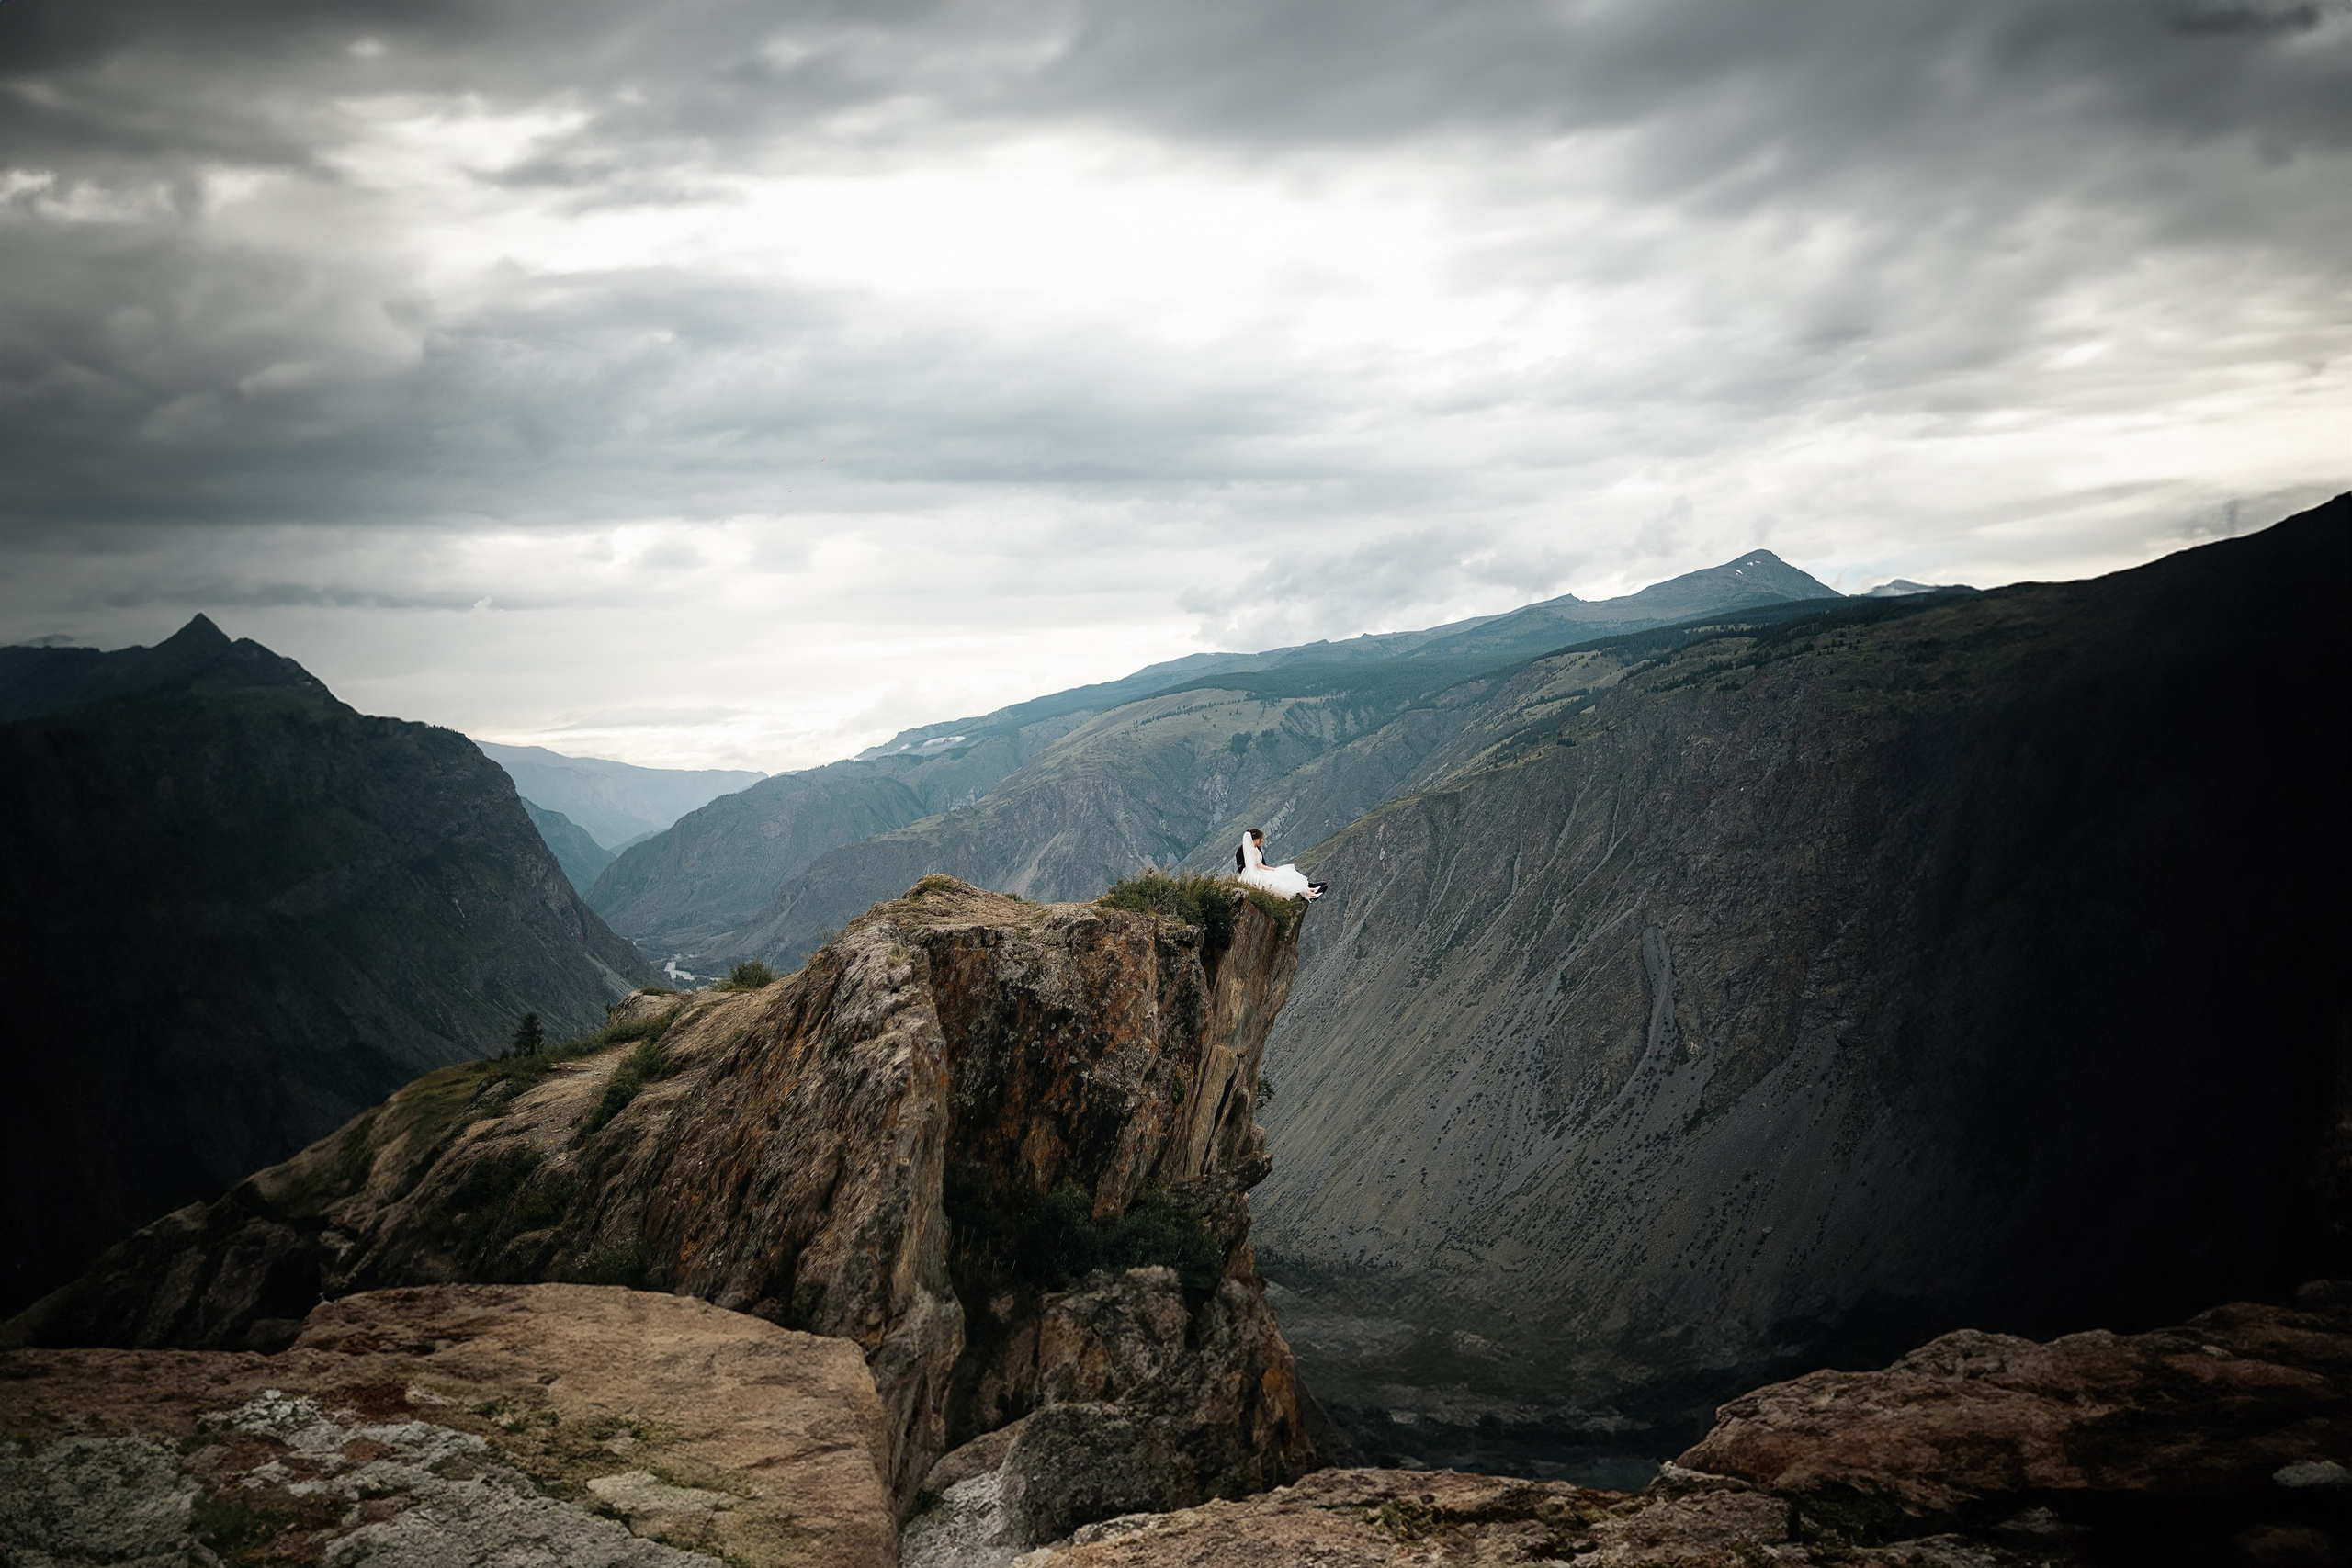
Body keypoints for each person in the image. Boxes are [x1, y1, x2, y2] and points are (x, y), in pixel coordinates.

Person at [1236, 829, 1326, 900]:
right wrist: (1272, 869)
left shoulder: (1250, 849)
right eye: (1261, 838)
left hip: (1256, 872)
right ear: (1255, 839)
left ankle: (1310, 890)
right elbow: (1259, 865)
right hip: (1258, 871)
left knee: (1283, 875)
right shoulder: (1253, 850)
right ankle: (1310, 891)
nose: (1262, 840)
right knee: (1283, 875)